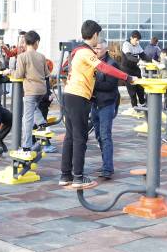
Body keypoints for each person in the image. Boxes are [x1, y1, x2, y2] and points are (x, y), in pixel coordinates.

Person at [60, 20, 133, 189]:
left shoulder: (76, 51)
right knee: (80, 137)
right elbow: (104, 68)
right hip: (78, 96)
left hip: (69, 94)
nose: (98, 39)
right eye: (98, 36)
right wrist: (127, 77)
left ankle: (66, 175)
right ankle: (78, 177)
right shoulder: (86, 52)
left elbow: (65, 68)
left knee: (70, 136)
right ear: (94, 35)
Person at [89, 37, 120, 180]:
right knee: (99, 136)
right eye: (94, 48)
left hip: (106, 104)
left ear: (105, 49)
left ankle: (108, 168)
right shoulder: (92, 61)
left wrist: (91, 84)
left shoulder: (112, 64)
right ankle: (105, 164)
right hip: (94, 103)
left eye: (99, 48)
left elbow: (110, 85)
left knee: (105, 135)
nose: (96, 50)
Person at [12, 30, 49, 150]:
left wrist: (9, 71)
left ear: (25, 42)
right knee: (33, 108)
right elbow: (47, 73)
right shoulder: (42, 56)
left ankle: (26, 146)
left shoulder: (22, 57)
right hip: (42, 90)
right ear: (36, 42)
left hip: (30, 90)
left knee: (27, 119)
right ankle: (42, 123)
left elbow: (18, 74)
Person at [121, 30, 148, 109]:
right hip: (126, 69)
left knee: (140, 86)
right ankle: (135, 106)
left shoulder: (137, 45)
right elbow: (129, 57)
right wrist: (139, 61)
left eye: (138, 40)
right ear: (131, 38)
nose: (137, 42)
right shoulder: (126, 44)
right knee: (132, 89)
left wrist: (153, 61)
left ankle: (143, 103)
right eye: (136, 40)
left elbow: (143, 55)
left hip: (135, 68)